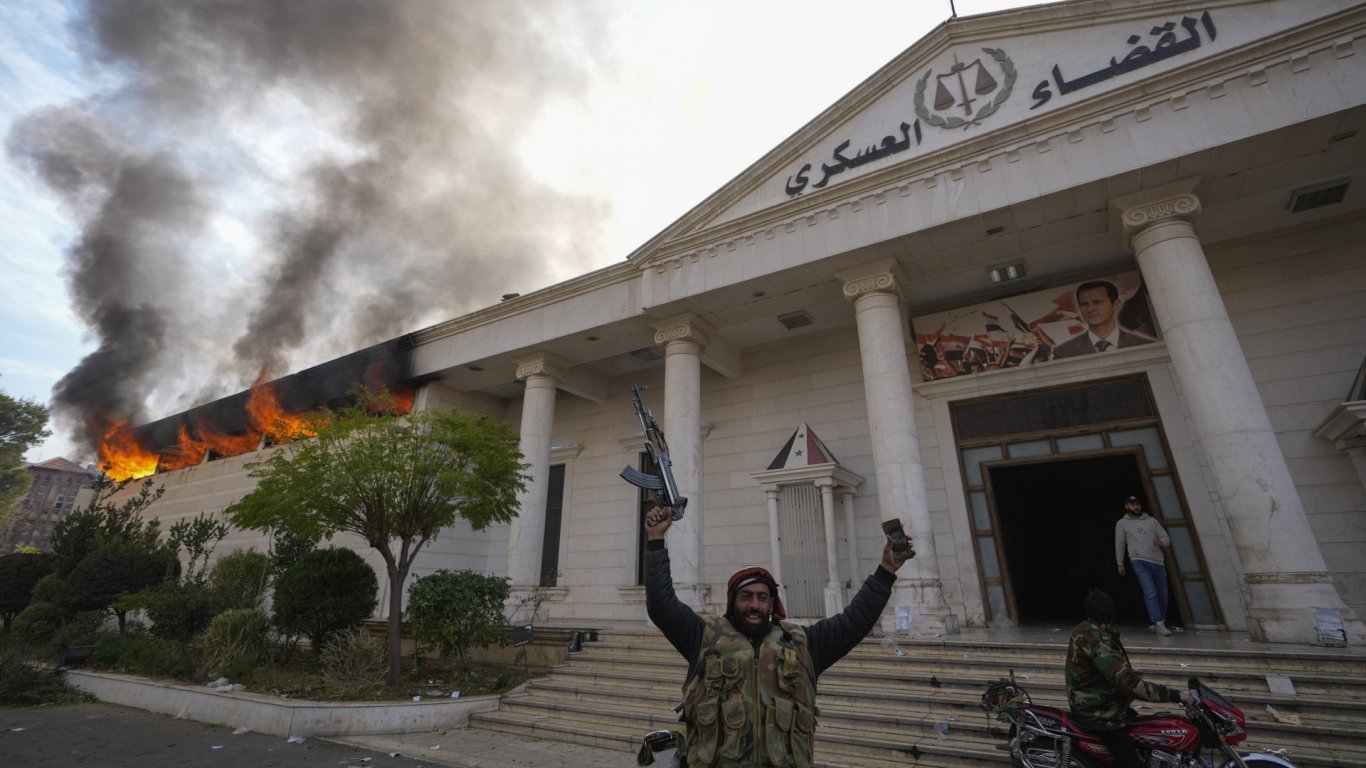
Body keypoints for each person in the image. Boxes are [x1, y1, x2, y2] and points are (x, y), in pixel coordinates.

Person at [643, 505, 906, 768]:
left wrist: (886, 570)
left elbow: (854, 622)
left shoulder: (802, 643)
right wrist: (656, 540)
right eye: (746, 597)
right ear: (733, 601)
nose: (754, 605)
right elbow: (661, 606)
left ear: (772, 603)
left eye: (762, 597)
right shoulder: (704, 637)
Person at [1067, 589, 1194, 768]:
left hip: (1105, 705)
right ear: (1111, 612)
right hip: (1099, 714)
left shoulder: (1085, 629)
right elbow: (1128, 683)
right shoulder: (1097, 639)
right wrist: (1176, 695)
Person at [1114, 494, 1176, 635]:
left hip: (1157, 561)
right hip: (1139, 560)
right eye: (1132, 504)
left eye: (1137, 504)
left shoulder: (1152, 521)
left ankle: (1160, 620)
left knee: (1163, 594)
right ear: (1126, 507)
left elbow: (1165, 537)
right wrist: (1120, 563)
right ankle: (1159, 622)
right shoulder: (1122, 523)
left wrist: (1161, 543)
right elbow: (1120, 543)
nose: (1135, 507)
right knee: (1150, 591)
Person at [1053, 280, 1154, 358]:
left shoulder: (1145, 345)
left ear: (1116, 305)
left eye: (1097, 302)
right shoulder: (1063, 352)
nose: (1090, 309)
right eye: (1084, 304)